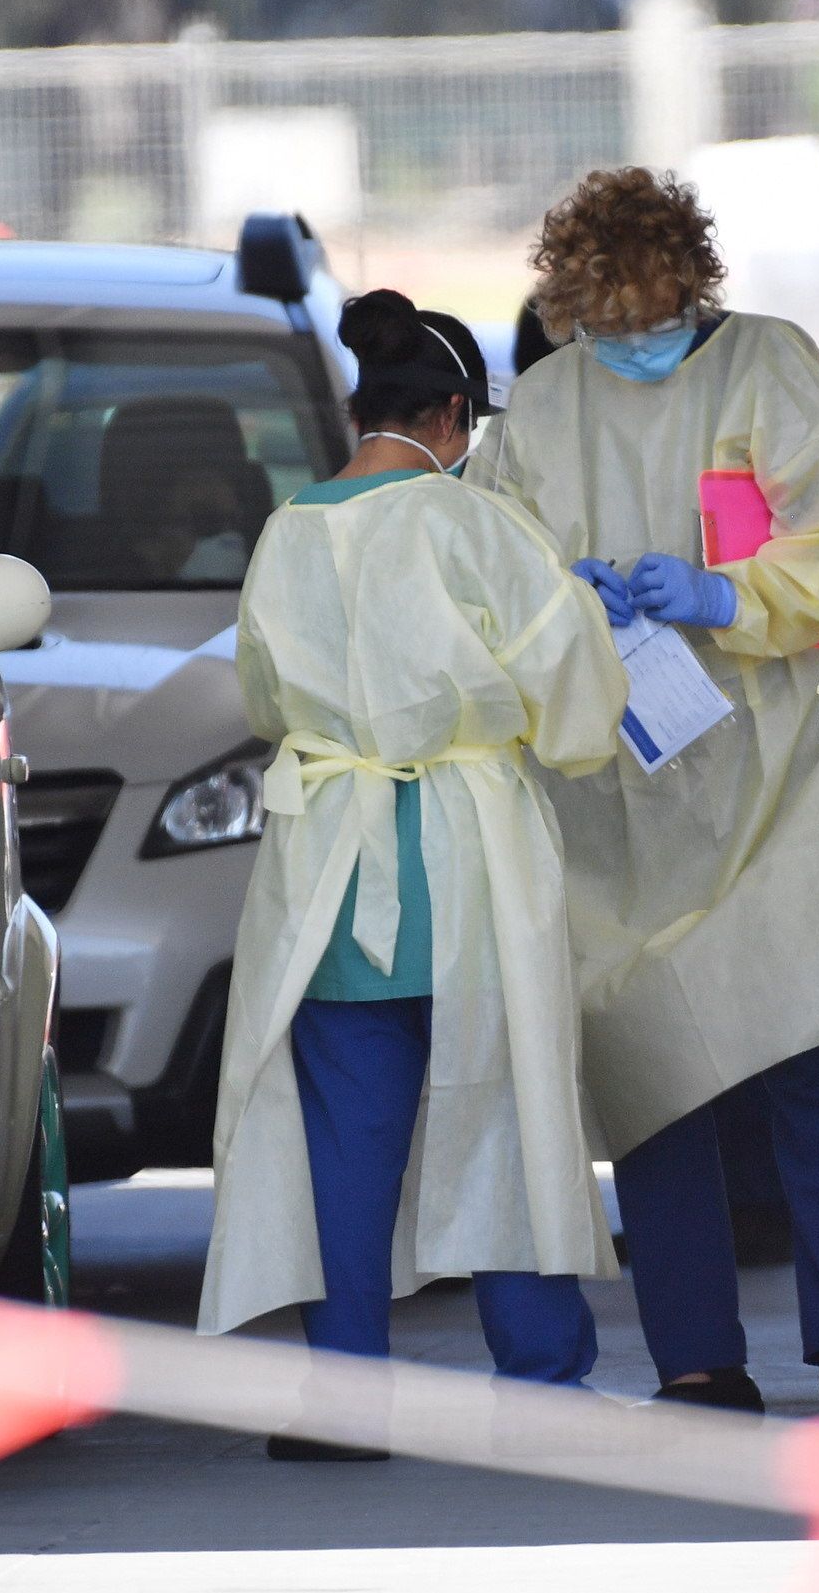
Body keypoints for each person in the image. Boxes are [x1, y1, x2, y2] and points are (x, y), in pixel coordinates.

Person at [469, 167, 819, 1421]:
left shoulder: (770, 368)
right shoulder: (543, 404)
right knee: (654, 1081)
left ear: (695, 287)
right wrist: (565, 605)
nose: (636, 344)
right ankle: (697, 1362)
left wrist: (728, 594)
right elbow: (491, 571)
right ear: (570, 312)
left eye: (656, 320)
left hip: (787, 774)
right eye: (609, 328)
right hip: (623, 795)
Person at [199, 288, 630, 1459]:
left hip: (332, 868)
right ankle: (538, 1384)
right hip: (467, 854)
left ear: (362, 411)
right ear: (452, 416)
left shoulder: (289, 531)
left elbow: (264, 697)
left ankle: (344, 1401)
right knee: (505, 1111)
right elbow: (577, 703)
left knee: (347, 1146)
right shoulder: (474, 523)